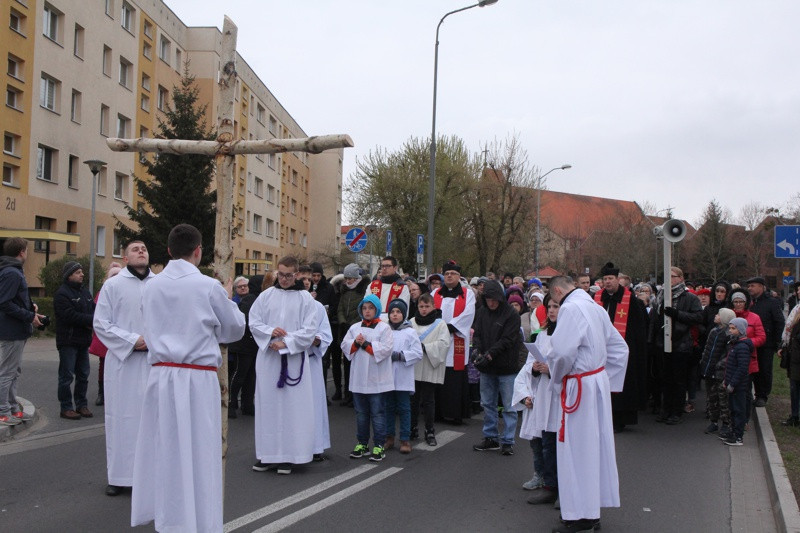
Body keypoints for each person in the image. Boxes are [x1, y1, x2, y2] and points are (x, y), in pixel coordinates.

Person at [131, 224, 245, 533]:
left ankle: (169, 520)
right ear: (198, 251)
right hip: (196, 380)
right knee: (199, 452)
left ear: (168, 251)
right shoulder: (208, 287)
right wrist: (227, 300)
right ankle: (198, 522)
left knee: (166, 449)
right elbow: (234, 329)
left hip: (160, 376)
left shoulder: (151, 287)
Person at [544, 276, 629, 533]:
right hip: (595, 383)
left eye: (553, 299)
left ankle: (581, 516)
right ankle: (592, 510)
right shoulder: (596, 307)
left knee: (577, 452)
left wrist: (557, 379)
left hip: (579, 386)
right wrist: (604, 379)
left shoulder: (570, 309)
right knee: (594, 450)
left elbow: (561, 353)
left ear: (557, 291)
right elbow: (620, 349)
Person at [92, 241, 154, 497]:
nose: (141, 251)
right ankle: (119, 476)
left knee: (153, 419)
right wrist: (133, 340)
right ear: (125, 257)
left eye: (144, 248)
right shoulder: (113, 285)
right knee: (121, 419)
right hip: (123, 363)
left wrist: (154, 341)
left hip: (154, 362)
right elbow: (101, 323)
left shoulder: (159, 284)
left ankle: (151, 476)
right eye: (135, 249)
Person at [249, 256, 319, 475]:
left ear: (296, 274)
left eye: (289, 275)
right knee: (268, 406)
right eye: (281, 274)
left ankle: (289, 455)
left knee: (292, 409)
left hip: (293, 360)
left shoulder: (305, 299)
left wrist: (286, 342)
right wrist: (270, 332)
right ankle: (267, 455)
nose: (284, 279)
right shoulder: (266, 296)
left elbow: (310, 330)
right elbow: (254, 322)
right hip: (269, 360)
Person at [514, 294, 561, 504]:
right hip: (543, 393)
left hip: (561, 395)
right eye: (549, 306)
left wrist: (551, 370)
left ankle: (564, 490)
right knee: (547, 443)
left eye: (556, 306)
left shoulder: (568, 334)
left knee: (561, 445)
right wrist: (534, 368)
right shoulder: (542, 335)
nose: (551, 310)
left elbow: (575, 365)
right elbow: (530, 363)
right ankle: (549, 486)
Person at [594, 262, 648, 432]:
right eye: (605, 279)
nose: (607, 282)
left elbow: (638, 328)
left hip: (623, 349)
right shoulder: (596, 299)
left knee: (622, 385)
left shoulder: (630, 300)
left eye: (610, 278)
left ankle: (619, 419)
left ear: (618, 280)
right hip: (601, 349)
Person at [342, 294, 394, 461]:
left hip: (377, 379)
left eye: (371, 308)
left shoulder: (384, 328)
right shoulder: (354, 327)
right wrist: (355, 343)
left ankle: (379, 445)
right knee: (361, 414)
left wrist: (365, 344)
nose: (367, 311)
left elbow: (386, 349)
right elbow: (345, 346)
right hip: (358, 378)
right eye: (364, 308)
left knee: (377, 413)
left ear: (377, 309)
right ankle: (362, 443)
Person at [472, 280, 521, 455]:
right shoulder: (482, 312)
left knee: (508, 406)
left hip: (506, 367)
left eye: (494, 299)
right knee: (488, 404)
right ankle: (490, 437)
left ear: (500, 298)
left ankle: (508, 440)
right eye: (488, 299)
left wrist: (490, 354)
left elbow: (508, 339)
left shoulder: (511, 314)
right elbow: (477, 334)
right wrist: (477, 351)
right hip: (487, 367)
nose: (491, 303)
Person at [649, 267, 703, 425]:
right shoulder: (660, 296)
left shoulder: (689, 298)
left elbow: (698, 317)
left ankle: (676, 411)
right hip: (662, 343)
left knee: (678, 380)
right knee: (664, 378)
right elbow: (654, 319)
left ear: (680, 278)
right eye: (667, 276)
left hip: (681, 343)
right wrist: (651, 340)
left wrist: (677, 314)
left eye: (672, 276)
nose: (669, 280)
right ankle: (665, 409)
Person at [0, 238, 42, 426]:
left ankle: (12, 408)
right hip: (12, 331)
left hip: (16, 330)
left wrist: (30, 308)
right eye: (27, 250)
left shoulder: (13, 271)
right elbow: (4, 302)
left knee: (13, 371)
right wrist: (29, 316)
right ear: (21, 252)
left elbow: (14, 299)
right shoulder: (12, 273)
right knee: (7, 372)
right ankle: (3, 411)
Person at [432, 260, 476, 424]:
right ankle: (438, 413)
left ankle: (456, 414)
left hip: (456, 338)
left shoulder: (467, 294)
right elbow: (428, 311)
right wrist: (439, 328)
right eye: (447, 274)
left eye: (453, 273)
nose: (449, 276)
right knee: (438, 377)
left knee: (454, 380)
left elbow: (468, 314)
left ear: (459, 276)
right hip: (438, 339)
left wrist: (450, 327)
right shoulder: (435, 293)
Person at [54, 261, 95, 420]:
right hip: (68, 342)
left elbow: (94, 309)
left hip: (83, 341)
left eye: (81, 271)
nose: (82, 274)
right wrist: (92, 320)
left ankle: (81, 405)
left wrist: (97, 317)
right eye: (78, 272)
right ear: (69, 275)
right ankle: (66, 407)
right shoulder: (62, 294)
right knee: (66, 376)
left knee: (83, 375)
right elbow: (70, 316)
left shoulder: (85, 292)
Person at [410, 293, 450, 445]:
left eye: (427, 306)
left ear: (434, 306)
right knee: (413, 400)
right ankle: (412, 427)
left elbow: (444, 343)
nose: (424, 309)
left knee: (428, 400)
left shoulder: (440, 324)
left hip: (429, 365)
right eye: (421, 306)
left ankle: (430, 430)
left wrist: (425, 347)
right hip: (414, 366)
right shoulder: (411, 322)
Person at [384, 299, 423, 454]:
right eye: (392, 312)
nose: (395, 315)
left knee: (404, 408)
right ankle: (389, 437)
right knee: (388, 407)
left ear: (404, 314)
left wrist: (401, 355)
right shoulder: (384, 330)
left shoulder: (410, 332)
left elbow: (418, 353)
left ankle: (405, 439)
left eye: (398, 312)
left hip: (403, 376)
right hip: (387, 376)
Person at [334, 263, 371, 406]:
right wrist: (343, 321)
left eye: (350, 278)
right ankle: (347, 395)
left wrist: (353, 323)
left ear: (356, 278)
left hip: (358, 330)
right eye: (346, 278)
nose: (348, 281)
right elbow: (340, 309)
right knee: (346, 363)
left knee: (357, 365)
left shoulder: (363, 291)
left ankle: (356, 396)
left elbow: (363, 310)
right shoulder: (344, 292)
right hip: (345, 330)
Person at [746, 276, 785, 407]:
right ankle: (754, 393)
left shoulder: (772, 302)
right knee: (753, 370)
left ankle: (762, 395)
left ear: (762, 287)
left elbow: (779, 322)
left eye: (752, 286)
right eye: (748, 286)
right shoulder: (749, 303)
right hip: (751, 342)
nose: (749, 288)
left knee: (764, 370)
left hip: (766, 344)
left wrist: (777, 342)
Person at [89, 262, 123, 407]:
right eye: (113, 275)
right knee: (104, 365)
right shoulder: (104, 291)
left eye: (118, 275)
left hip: (122, 333)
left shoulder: (124, 290)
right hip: (107, 334)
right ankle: (102, 393)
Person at [306, 292, 333, 461]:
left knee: (314, 404)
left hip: (310, 361)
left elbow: (325, 333)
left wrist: (318, 340)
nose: (305, 282)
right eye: (302, 279)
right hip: (287, 362)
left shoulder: (317, 307)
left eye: (308, 280)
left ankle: (315, 445)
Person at [699, 308, 735, 435]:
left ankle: (726, 423)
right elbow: (707, 348)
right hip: (709, 370)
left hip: (720, 372)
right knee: (712, 397)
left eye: (719, 314)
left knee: (723, 398)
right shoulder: (713, 331)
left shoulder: (728, 335)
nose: (716, 316)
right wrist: (703, 361)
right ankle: (713, 421)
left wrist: (720, 365)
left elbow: (729, 354)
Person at [228, 284, 259, 418]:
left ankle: (247, 404)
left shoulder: (258, 299)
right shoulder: (250, 300)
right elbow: (244, 321)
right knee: (239, 375)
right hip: (243, 345)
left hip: (252, 345)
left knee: (251, 376)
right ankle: (231, 403)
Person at [723, 318, 754, 446]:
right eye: (730, 328)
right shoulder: (735, 345)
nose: (730, 331)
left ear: (740, 330)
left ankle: (738, 436)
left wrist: (732, 383)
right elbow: (730, 366)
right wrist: (726, 380)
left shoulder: (742, 347)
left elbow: (742, 368)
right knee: (733, 410)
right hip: (733, 384)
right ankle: (733, 432)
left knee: (738, 410)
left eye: (733, 328)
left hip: (738, 386)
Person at [367, 256, 410, 321]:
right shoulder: (372, 285)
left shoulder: (402, 287)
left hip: (393, 324)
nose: (384, 268)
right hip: (373, 323)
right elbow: (366, 307)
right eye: (382, 266)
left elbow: (402, 311)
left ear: (395, 268)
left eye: (388, 266)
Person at [779, 309, 800, 426]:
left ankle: (796, 416)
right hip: (795, 360)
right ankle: (795, 415)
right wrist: (784, 347)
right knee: (794, 389)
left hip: (796, 360)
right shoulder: (797, 312)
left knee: (795, 388)